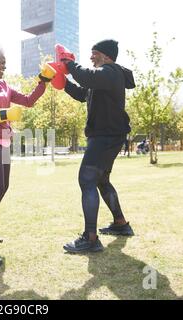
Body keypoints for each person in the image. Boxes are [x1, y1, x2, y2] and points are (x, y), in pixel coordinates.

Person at [0, 44, 56, 266]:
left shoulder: (4, 85)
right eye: (0, 60)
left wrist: (43, 82)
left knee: (3, 187)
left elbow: (28, 101)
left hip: (4, 141)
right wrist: (1, 115)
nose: (4, 64)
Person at [61, 39, 136, 254]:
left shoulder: (111, 72)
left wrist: (68, 64)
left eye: (94, 53)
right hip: (107, 135)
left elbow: (85, 76)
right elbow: (82, 94)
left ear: (106, 56)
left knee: (86, 179)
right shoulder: (103, 78)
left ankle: (90, 238)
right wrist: (62, 81)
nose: (91, 57)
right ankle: (120, 223)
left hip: (105, 136)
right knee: (101, 180)